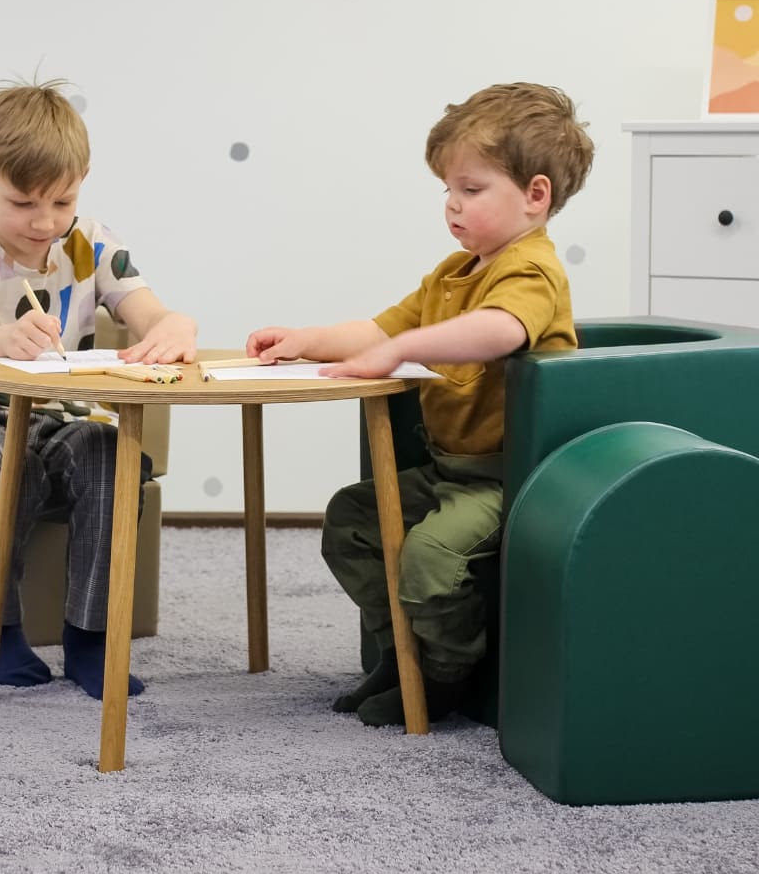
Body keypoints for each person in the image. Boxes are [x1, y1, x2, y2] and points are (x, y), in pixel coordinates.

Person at [246, 82, 595, 727]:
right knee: (351, 518)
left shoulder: (531, 271)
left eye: (471, 189)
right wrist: (304, 340)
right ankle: (399, 653)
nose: (452, 207)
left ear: (535, 195)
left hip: (508, 478)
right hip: (448, 470)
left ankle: (447, 674)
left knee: (432, 556)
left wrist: (405, 346)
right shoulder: (451, 274)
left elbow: (499, 330)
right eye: (447, 191)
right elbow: (377, 331)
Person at [0, 79, 197, 697]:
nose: (45, 223)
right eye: (24, 203)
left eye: (62, 203)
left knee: (115, 461)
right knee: (4, 471)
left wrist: (176, 326)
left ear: (82, 180)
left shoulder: (93, 244)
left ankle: (90, 639)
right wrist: (0, 339)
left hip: (65, 418)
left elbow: (151, 315)